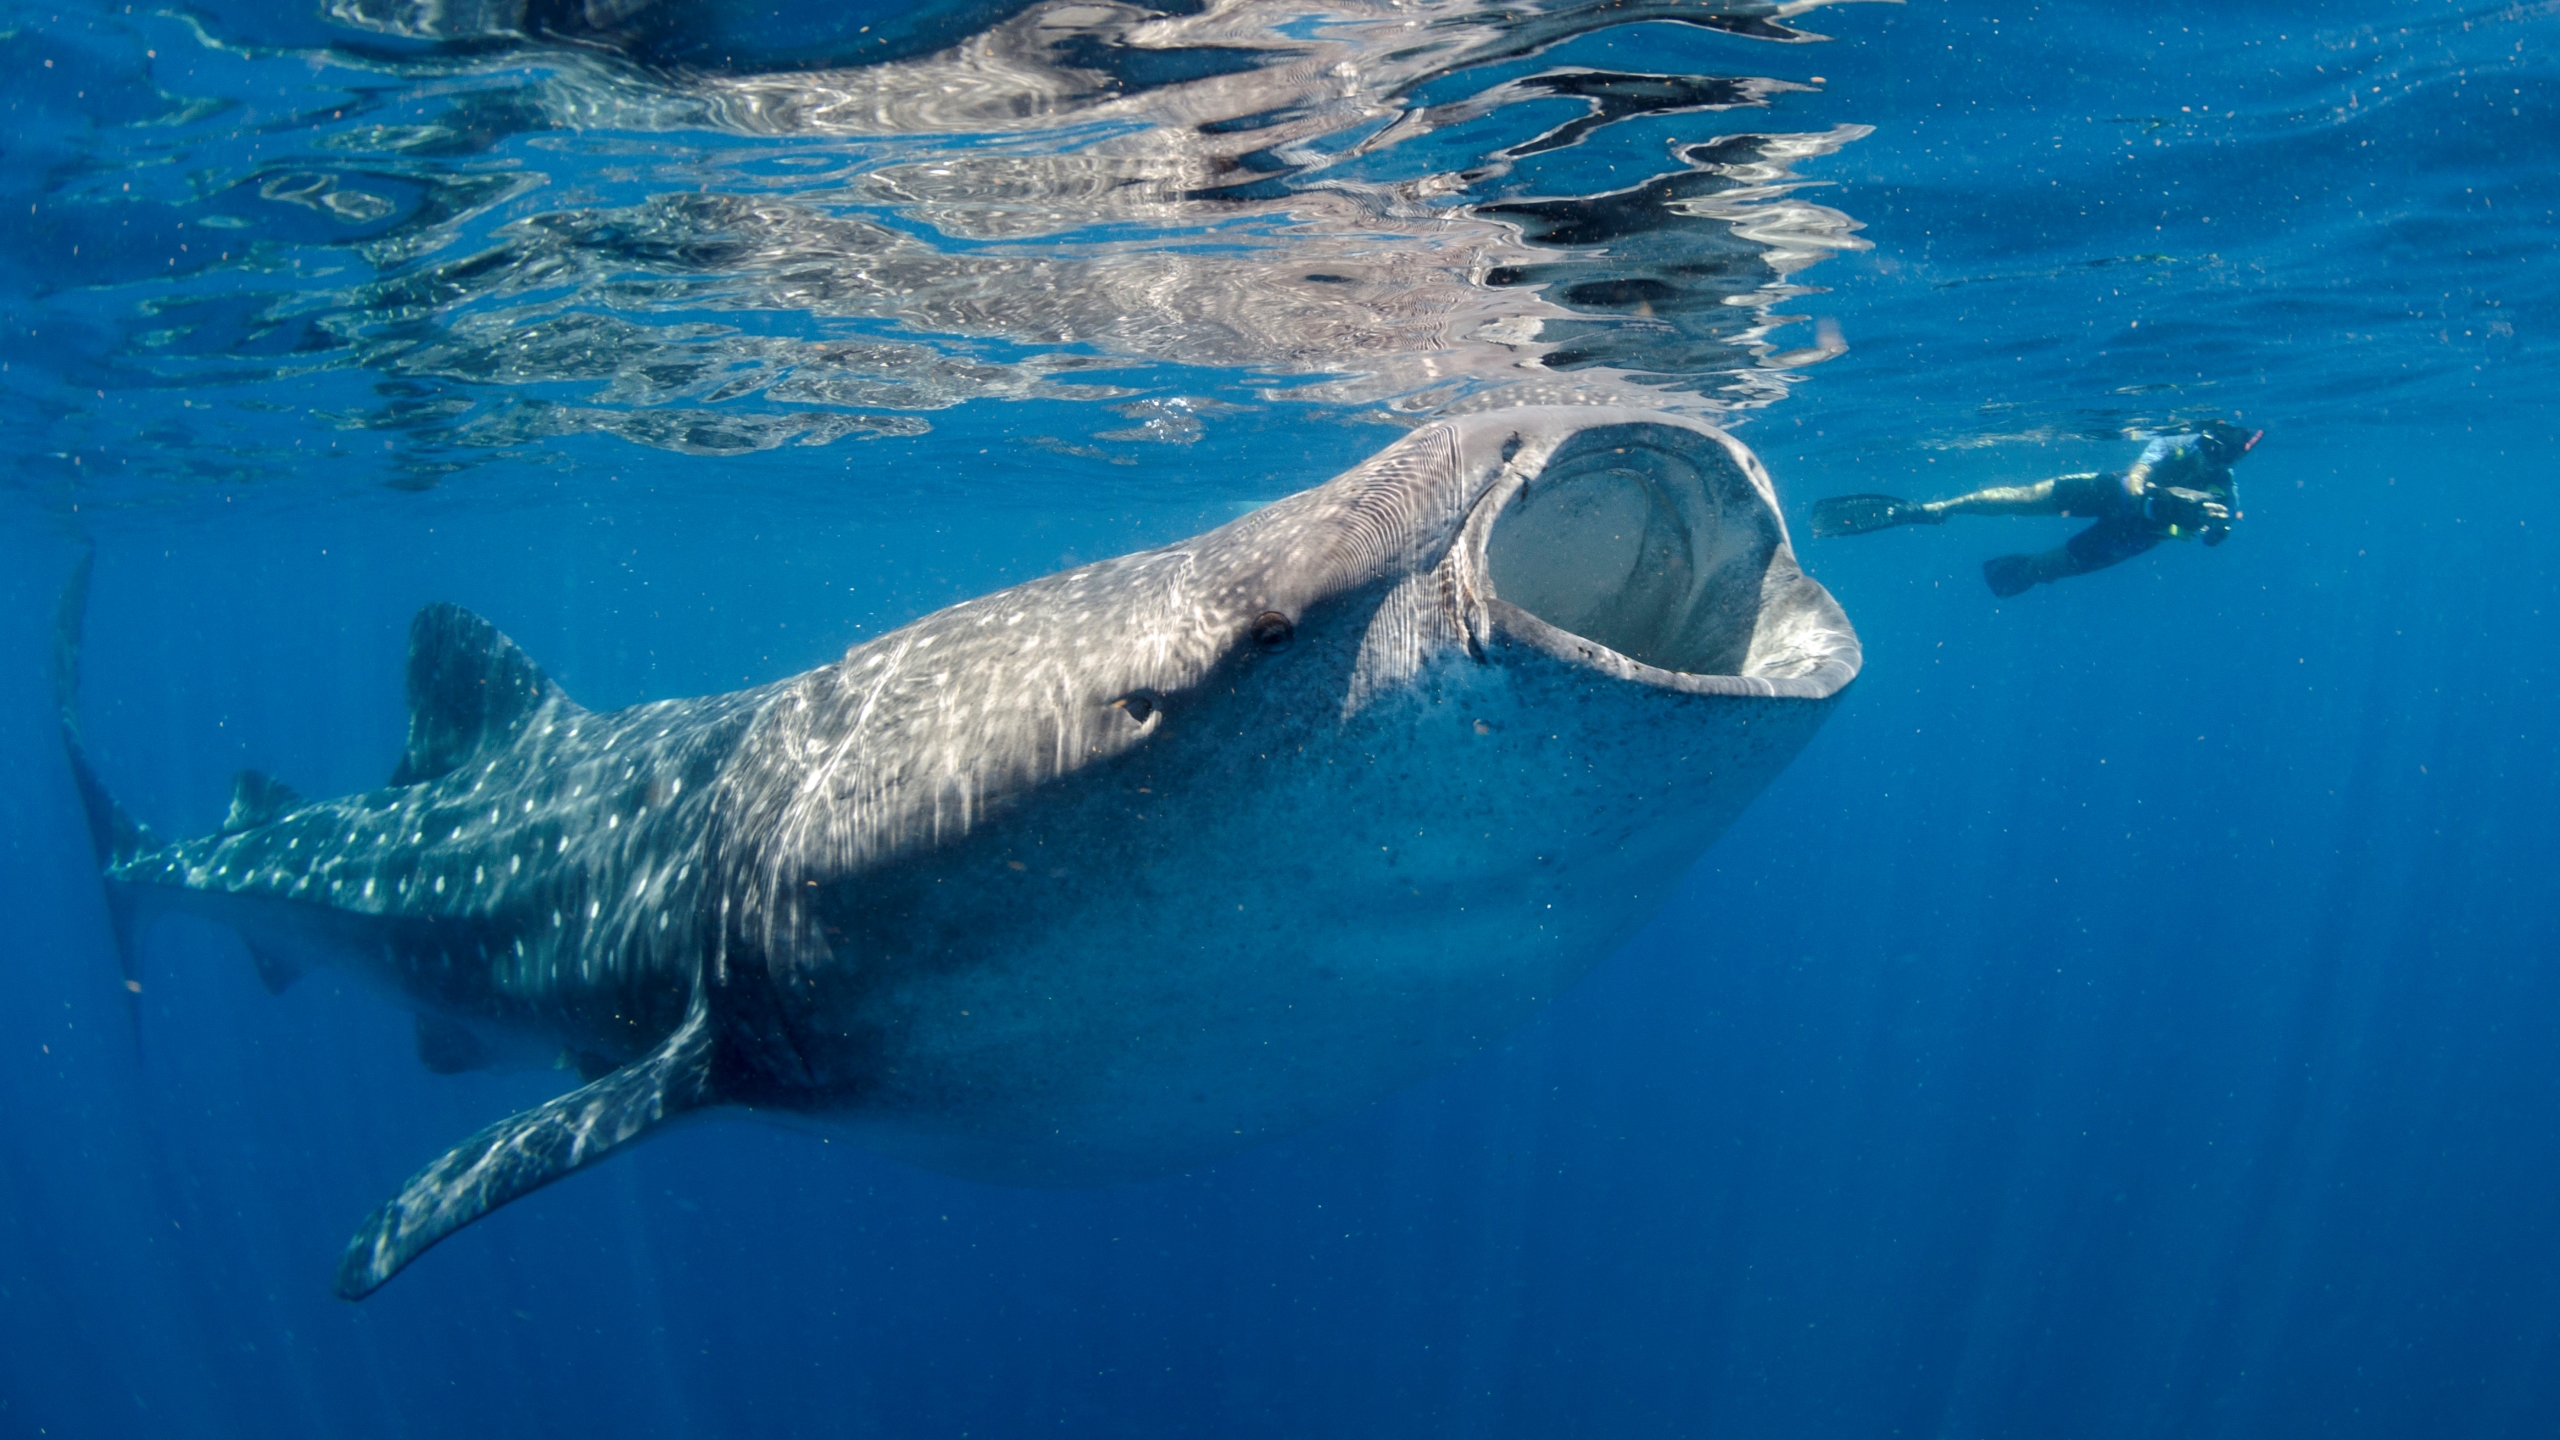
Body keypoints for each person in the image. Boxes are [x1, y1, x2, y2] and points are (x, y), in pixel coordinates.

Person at [1809, 421, 2263, 597]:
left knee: (2048, 567)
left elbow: (2216, 538)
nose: (2215, 459)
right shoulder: (2178, 445)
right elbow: (2139, 471)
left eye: (2225, 457)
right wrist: (2154, 497)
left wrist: (2216, 525)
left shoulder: (2223, 488)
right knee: (2022, 498)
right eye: (2214, 450)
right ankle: (1933, 509)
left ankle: (2017, 572)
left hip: (2137, 534)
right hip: (2115, 496)